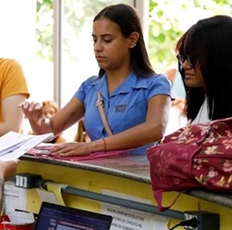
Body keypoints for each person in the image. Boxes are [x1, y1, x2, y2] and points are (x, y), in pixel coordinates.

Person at [21, 4, 170, 157]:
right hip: (94, 177)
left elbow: (156, 128)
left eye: (107, 40)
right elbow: (51, 129)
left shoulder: (155, 84)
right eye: (95, 40)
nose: (97, 48)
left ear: (132, 40)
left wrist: (92, 146)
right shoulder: (90, 87)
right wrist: (36, 120)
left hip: (135, 178)